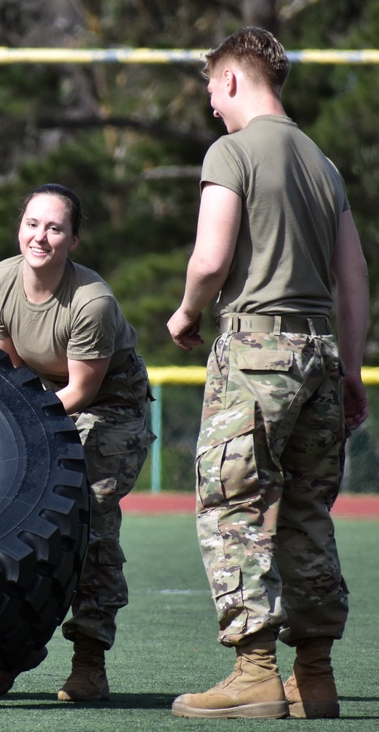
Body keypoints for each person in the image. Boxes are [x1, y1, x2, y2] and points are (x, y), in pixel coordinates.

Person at [167, 27, 369, 720]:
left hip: (256, 350)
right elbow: (353, 281)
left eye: (211, 93)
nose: (212, 109)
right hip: (321, 352)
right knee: (308, 514)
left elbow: (210, 256)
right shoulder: (323, 163)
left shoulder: (232, 150)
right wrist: (352, 371)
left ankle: (254, 673)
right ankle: (314, 678)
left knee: (234, 504)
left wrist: (187, 312)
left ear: (230, 80)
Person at [0, 183, 154, 701]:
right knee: (5, 510)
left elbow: (80, 392)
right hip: (45, 398)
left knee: (87, 515)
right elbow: (9, 373)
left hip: (109, 405)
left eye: (55, 228)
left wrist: (26, 421)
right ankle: (2, 656)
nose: (41, 237)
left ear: (73, 240)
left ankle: (89, 662)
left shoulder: (92, 301)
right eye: (33, 224)